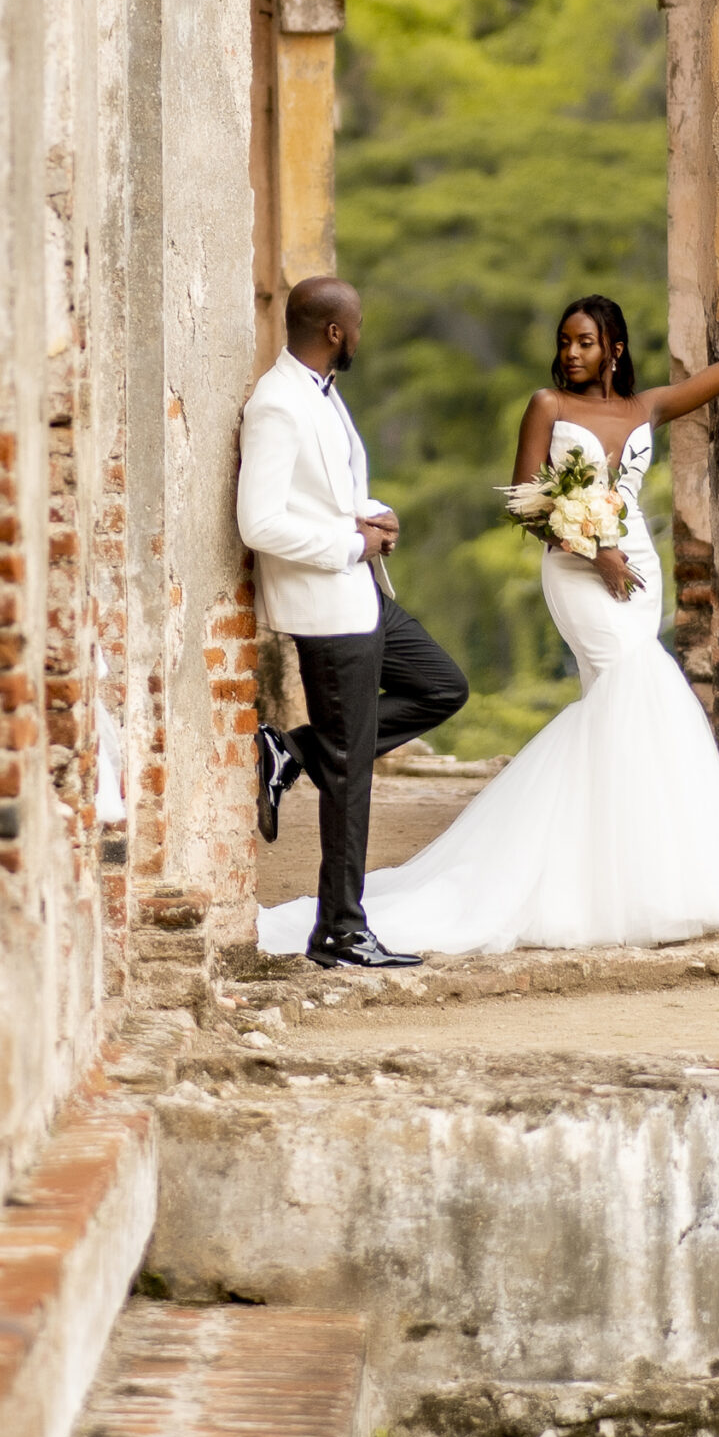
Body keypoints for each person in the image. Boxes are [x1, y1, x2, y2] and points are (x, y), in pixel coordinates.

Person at [256, 218, 719, 958]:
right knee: (641, 682)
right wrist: (587, 550)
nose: (569, 353)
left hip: (637, 566)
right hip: (575, 570)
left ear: (614, 350)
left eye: (584, 342)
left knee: (622, 704)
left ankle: (627, 870)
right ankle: (611, 872)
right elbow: (526, 502)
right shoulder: (547, 406)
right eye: (564, 341)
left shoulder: (644, 407)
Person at [238, 275, 469, 969]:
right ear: (335, 332)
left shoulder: (319, 395)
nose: (361, 335)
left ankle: (294, 752)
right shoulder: (276, 404)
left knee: (440, 685)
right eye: (358, 324)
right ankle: (339, 929)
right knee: (351, 776)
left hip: (358, 594)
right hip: (326, 604)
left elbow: (323, 492)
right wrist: (348, 544)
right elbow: (260, 521)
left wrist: (370, 514)